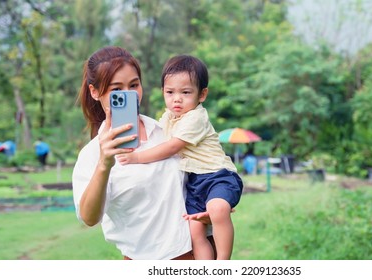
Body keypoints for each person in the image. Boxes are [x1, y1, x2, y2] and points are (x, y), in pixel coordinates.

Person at [71, 46, 194, 260]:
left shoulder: (166, 132)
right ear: (94, 92)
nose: (129, 95)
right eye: (116, 90)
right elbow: (89, 218)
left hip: (196, 255)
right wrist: (104, 164)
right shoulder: (91, 155)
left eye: (134, 85)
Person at [117, 55, 243, 260]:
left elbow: (172, 146)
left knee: (217, 209)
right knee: (195, 230)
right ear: (163, 93)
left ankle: (223, 262)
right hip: (194, 183)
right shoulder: (169, 116)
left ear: (202, 95)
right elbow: (155, 137)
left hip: (217, 176)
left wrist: (137, 158)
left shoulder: (196, 117)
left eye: (185, 92)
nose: (177, 99)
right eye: (170, 92)